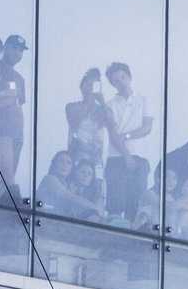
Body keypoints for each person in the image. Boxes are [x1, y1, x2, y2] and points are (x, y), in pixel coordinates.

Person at [103, 62, 153, 222]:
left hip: (140, 158)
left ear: (129, 77)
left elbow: (147, 128)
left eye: (123, 77)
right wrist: (127, 156)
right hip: (116, 158)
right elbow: (112, 133)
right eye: (116, 81)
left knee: (136, 204)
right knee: (115, 205)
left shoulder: (144, 100)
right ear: (113, 84)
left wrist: (126, 136)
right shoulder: (109, 105)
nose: (121, 82)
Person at [65, 68, 110, 170]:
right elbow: (74, 123)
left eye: (94, 85)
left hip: (96, 157)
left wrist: (102, 101)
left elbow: (112, 123)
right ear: (81, 86)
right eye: (88, 84)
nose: (90, 88)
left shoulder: (102, 110)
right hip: (76, 154)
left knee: (98, 184)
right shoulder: (72, 106)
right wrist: (89, 101)